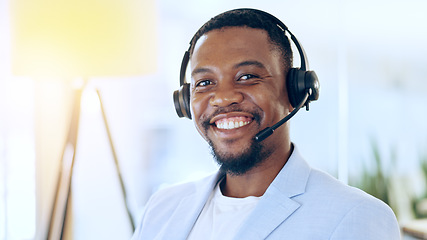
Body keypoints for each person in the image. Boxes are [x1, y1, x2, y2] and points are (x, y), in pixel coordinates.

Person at [132, 8, 400, 240]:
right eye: (204, 83)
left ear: (296, 91)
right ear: (185, 101)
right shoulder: (163, 207)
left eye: (247, 76)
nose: (224, 97)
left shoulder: (355, 215)